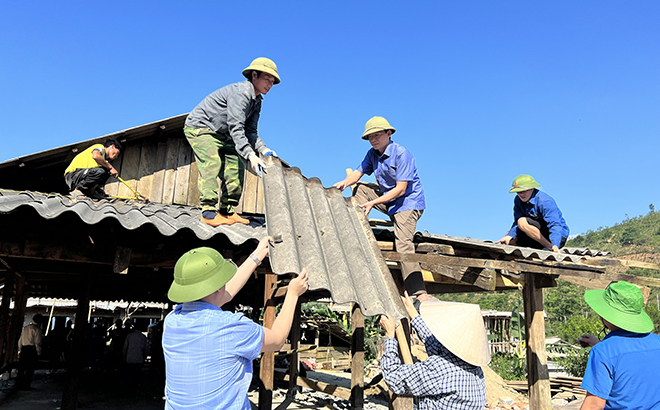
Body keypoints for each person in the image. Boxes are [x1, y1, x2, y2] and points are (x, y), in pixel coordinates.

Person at [162, 236, 309, 410]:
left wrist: (257, 255)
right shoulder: (231, 327)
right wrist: (292, 294)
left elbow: (224, 293)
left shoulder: (172, 320)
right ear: (217, 286)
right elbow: (277, 340)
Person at [333, 116, 430, 300]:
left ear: (389, 133)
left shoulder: (402, 153)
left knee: (402, 244)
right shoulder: (372, 154)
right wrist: (344, 184)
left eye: (378, 135)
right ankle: (357, 223)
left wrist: (373, 203)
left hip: (408, 202)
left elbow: (401, 189)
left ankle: (419, 291)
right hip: (389, 200)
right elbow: (358, 173)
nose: (374, 139)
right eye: (370, 137)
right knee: (361, 187)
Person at [184, 57, 281, 227]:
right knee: (212, 162)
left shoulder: (257, 101)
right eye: (267, 79)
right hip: (201, 127)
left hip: (223, 134)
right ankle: (208, 212)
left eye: (273, 82)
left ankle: (226, 211)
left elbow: (250, 131)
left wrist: (262, 149)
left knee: (237, 166)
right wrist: (251, 154)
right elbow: (236, 127)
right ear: (254, 75)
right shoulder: (241, 93)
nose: (270, 85)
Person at [379, 293, 488, 410]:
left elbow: (394, 377)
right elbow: (436, 344)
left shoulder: (441, 368)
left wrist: (390, 335)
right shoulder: (475, 369)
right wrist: (413, 313)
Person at [578, 281, 660, 410]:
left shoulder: (603, 352)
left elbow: (594, 405)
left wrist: (602, 348)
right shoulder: (657, 342)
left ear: (605, 314)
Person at [496, 174, 569, 252]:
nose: (521, 194)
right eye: (518, 192)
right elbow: (516, 222)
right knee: (509, 237)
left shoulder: (545, 201)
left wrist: (555, 244)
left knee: (522, 221)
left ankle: (549, 247)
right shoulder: (518, 200)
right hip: (534, 236)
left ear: (532, 189)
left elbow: (555, 224)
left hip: (555, 237)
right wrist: (510, 235)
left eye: (523, 191)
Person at [16, 313, 45, 389]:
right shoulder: (37, 329)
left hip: (24, 349)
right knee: (30, 369)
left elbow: (20, 340)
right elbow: (37, 342)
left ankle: (18, 384)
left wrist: (19, 349)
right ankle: (26, 385)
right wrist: (38, 352)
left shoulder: (25, 328)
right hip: (31, 350)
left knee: (21, 368)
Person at [123, 323, 149, 393]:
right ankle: (135, 389)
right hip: (139, 358)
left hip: (129, 358)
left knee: (129, 375)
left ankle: (129, 389)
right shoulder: (143, 337)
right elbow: (146, 349)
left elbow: (125, 348)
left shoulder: (129, 336)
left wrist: (124, 356)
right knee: (137, 375)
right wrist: (145, 357)